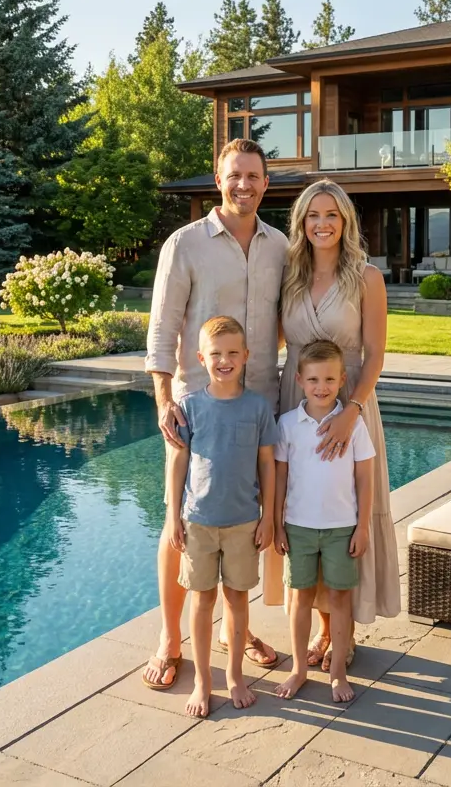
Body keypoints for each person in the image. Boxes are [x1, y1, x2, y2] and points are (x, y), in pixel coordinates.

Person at [143, 138, 288, 689]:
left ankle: (234, 629)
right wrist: (163, 400)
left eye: (253, 176)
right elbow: (161, 329)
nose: (243, 185)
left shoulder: (280, 247)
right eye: (234, 175)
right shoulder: (184, 245)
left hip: (258, 406)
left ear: (266, 183)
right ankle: (169, 635)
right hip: (195, 409)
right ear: (218, 177)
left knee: (242, 518)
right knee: (181, 519)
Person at [263, 178, 400, 667]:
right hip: (295, 399)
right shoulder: (289, 276)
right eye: (313, 216)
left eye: (332, 216)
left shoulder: (367, 277)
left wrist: (351, 412)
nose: (322, 224)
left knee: (342, 506)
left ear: (345, 222)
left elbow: (377, 355)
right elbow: (273, 340)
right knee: (304, 509)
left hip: (350, 401)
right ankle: (320, 628)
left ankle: (341, 630)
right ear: (301, 223)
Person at [163, 316, 276, 717]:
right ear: (201, 358)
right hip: (198, 521)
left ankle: (234, 676)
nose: (224, 360)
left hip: (244, 521)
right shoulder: (190, 407)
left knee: (237, 599)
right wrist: (171, 516)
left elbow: (268, 465)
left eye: (232, 353)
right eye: (216, 354)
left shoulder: (258, 407)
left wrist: (269, 517)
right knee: (201, 600)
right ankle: (203, 680)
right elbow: (178, 463)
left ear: (246, 356)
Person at [274, 340, 374, 703]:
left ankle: (338, 673)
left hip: (341, 528)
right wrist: (276, 522)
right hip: (298, 527)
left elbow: (365, 478)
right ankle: (299, 669)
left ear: (342, 379)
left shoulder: (353, 425)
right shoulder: (287, 425)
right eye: (314, 379)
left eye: (330, 379)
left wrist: (362, 526)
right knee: (300, 598)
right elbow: (281, 478)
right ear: (299, 379)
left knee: (340, 599)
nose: (322, 387)